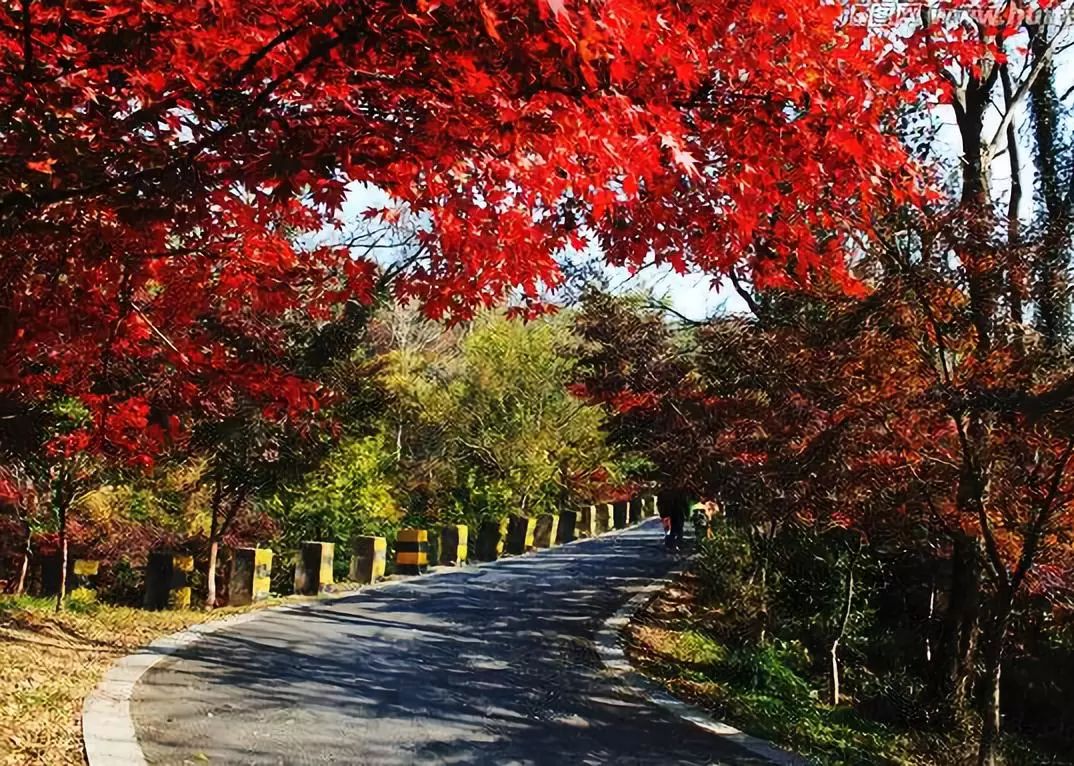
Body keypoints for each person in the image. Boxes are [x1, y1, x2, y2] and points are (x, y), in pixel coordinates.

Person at [657, 486, 690, 551]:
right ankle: (678, 544)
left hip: (667, 514)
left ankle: (670, 544)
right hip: (678, 513)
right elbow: (685, 504)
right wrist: (687, 513)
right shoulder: (680, 493)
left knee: (669, 530)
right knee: (678, 529)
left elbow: (659, 504)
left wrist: (661, 513)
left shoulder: (662, 493)